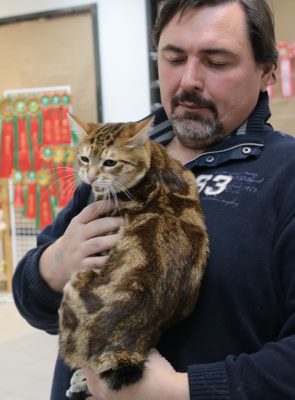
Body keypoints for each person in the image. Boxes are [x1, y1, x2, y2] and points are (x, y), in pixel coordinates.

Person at [12, 0, 295, 399]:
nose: (189, 80)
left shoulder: (286, 176)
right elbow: (32, 303)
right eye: (174, 58)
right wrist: (54, 264)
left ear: (266, 70)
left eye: (216, 61)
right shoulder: (118, 165)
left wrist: (182, 391)